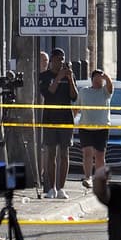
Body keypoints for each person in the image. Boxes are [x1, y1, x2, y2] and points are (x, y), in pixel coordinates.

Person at [38, 49, 79, 198]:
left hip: (66, 119)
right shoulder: (44, 76)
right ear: (52, 60)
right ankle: (51, 188)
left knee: (64, 153)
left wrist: (69, 79)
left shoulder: (69, 75)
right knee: (51, 154)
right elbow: (49, 93)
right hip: (50, 119)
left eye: (63, 59)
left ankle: (62, 188)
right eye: (58, 59)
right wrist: (58, 77)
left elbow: (74, 97)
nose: (61, 62)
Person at [77, 67, 114, 185]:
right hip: (85, 127)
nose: (99, 81)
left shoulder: (105, 92)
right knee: (87, 153)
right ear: (92, 79)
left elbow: (110, 87)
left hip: (101, 128)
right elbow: (76, 107)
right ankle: (87, 177)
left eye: (101, 78)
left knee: (99, 155)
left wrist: (106, 77)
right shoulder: (84, 91)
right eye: (97, 78)